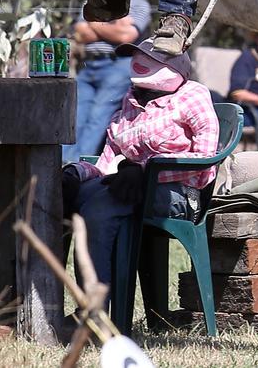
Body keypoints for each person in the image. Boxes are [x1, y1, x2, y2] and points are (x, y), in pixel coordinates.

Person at [62, 39, 219, 293]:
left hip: (182, 193)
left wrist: (146, 170)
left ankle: (94, 312)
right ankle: (48, 303)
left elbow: (203, 161)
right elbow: (107, 162)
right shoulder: (130, 101)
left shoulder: (193, 97)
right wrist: (75, 174)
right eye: (135, 56)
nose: (138, 62)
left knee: (98, 209)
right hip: (128, 186)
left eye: (151, 58)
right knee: (67, 198)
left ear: (176, 64)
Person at [63, 0, 151, 162]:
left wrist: (93, 23)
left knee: (98, 115)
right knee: (75, 115)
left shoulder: (139, 4)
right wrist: (114, 28)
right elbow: (79, 33)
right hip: (88, 64)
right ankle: (61, 163)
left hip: (118, 65)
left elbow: (126, 37)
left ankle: (78, 166)